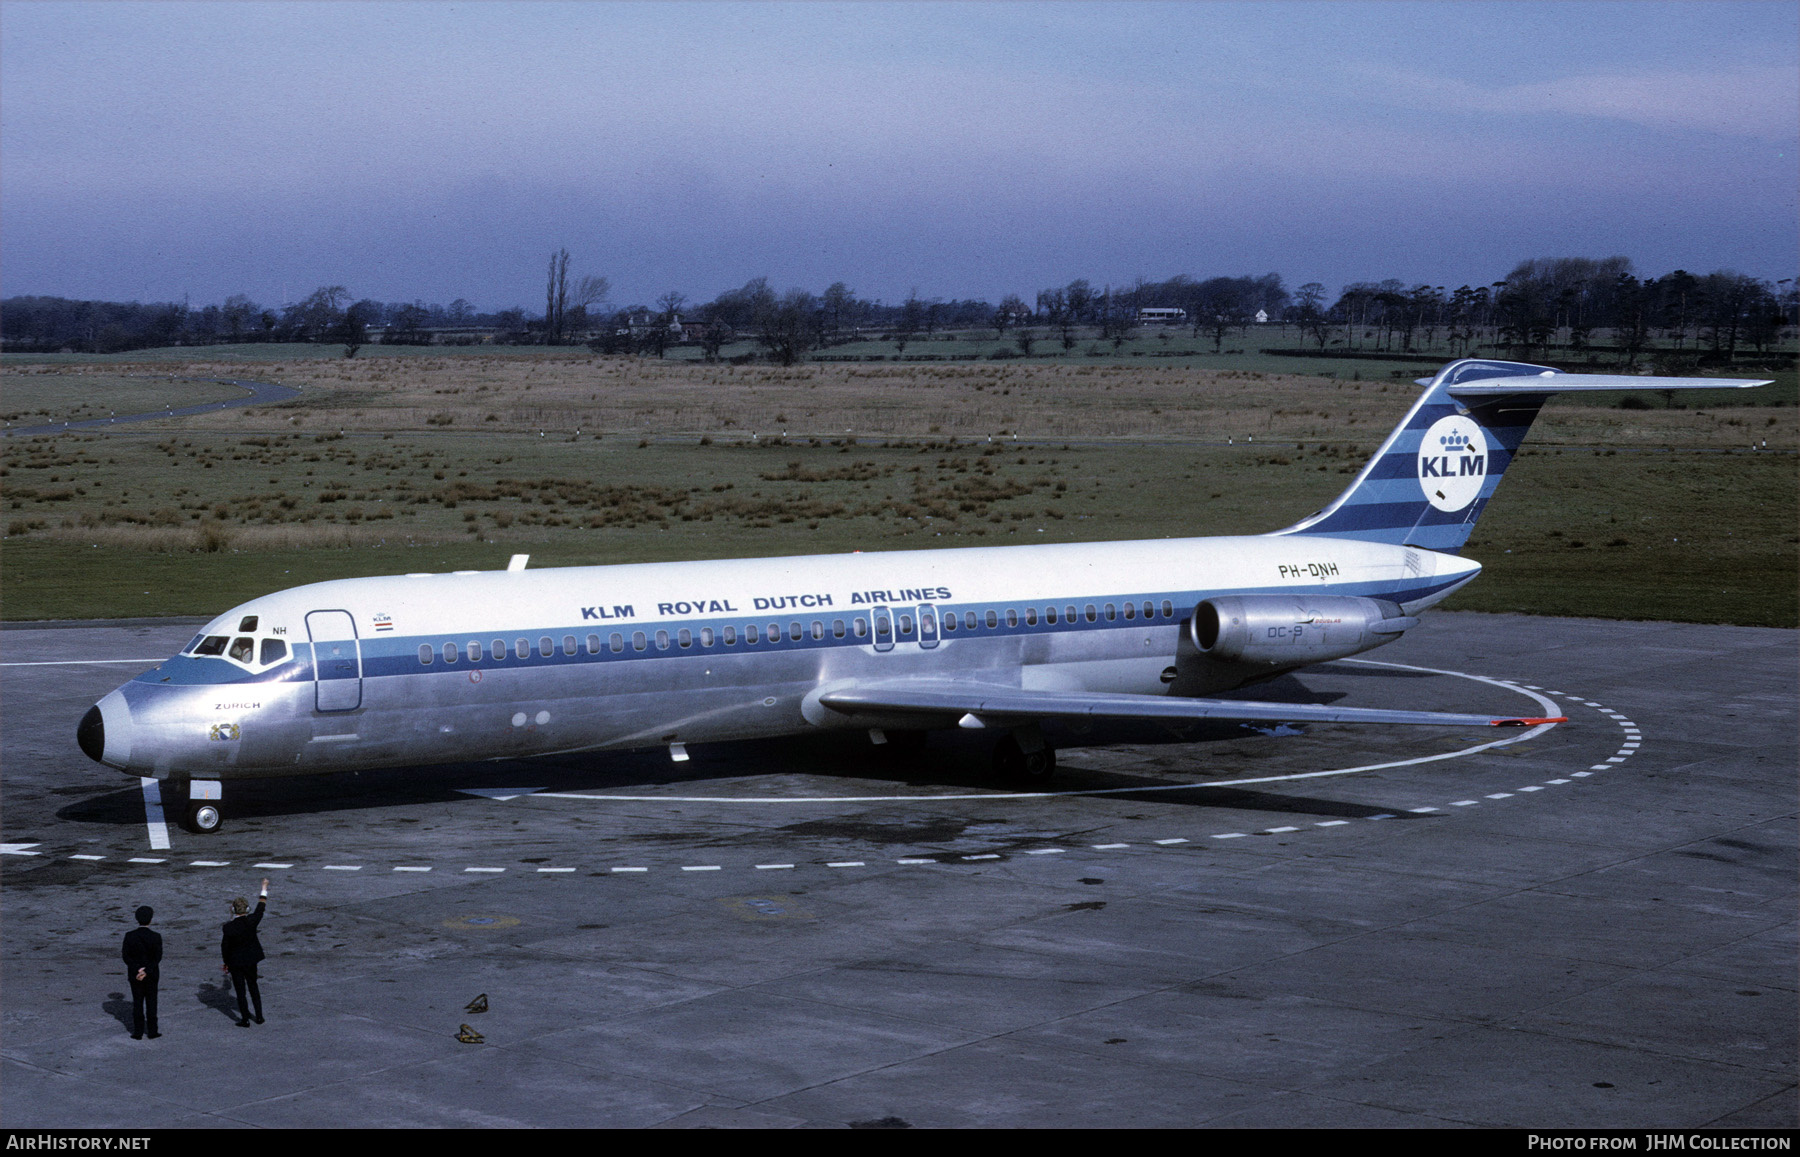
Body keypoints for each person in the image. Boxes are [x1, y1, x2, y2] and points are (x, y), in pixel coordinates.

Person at [221, 879, 269, 1027]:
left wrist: (226, 963)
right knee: (253, 987)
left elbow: (225, 947)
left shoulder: (228, 927)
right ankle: (259, 1016)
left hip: (236, 963)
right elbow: (261, 907)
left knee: (240, 991)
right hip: (250, 960)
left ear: (234, 910)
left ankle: (245, 1019)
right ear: (247, 910)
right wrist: (263, 888)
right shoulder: (252, 921)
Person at [122, 905, 162, 1040]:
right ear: (150, 919)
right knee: (152, 1002)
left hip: (135, 975)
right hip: (151, 975)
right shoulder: (155, 937)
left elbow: (126, 956)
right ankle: (152, 1031)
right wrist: (146, 970)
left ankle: (137, 1032)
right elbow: (157, 957)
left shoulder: (130, 936)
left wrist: (137, 969)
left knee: (137, 1002)